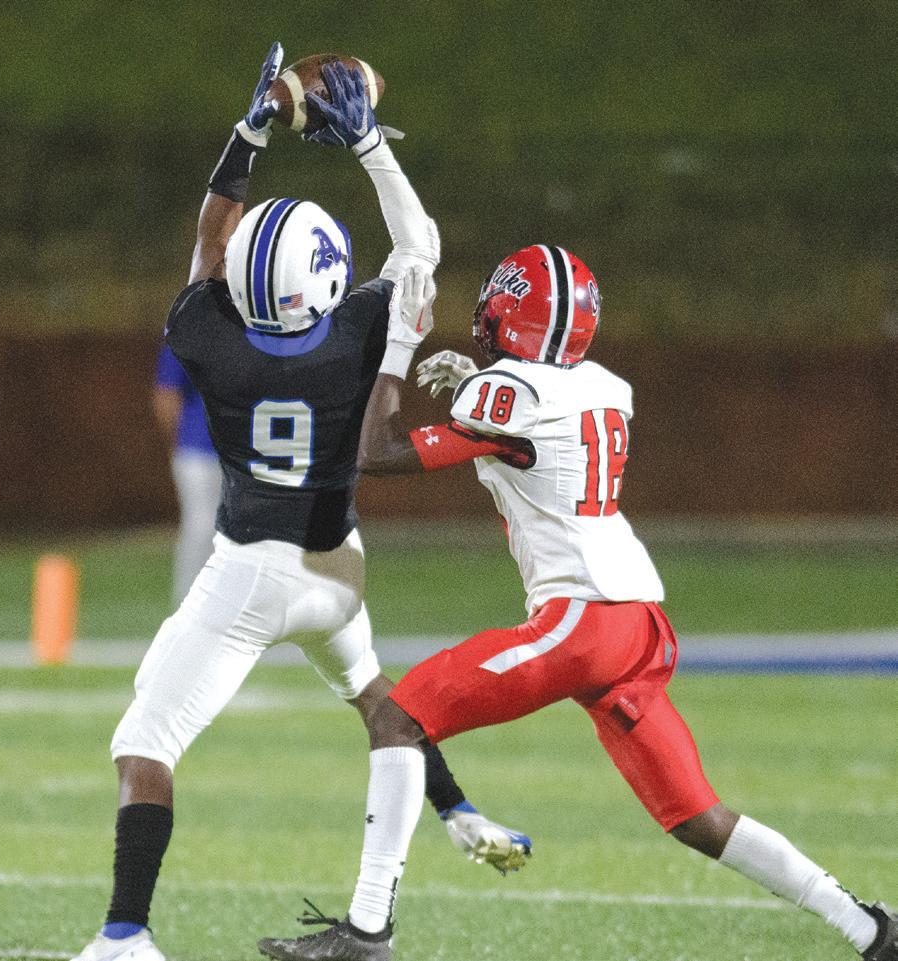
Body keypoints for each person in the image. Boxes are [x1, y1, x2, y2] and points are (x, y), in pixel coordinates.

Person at [258, 248, 898, 961]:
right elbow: (541, 438)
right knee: (697, 817)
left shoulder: (508, 396)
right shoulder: (603, 386)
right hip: (638, 622)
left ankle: (367, 931)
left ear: (508, 313)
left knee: (398, 716)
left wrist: (400, 346)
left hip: (580, 620)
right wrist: (476, 387)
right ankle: (871, 928)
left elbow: (374, 453)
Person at [70, 45, 531, 961]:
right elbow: (419, 246)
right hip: (338, 567)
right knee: (381, 702)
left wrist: (248, 133)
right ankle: (457, 813)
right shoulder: (360, 331)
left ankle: (125, 936)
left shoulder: (207, 336)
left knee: (145, 740)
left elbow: (210, 241)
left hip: (249, 572)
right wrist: (367, 144)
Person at [153, 344, 222, 606]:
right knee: (201, 527)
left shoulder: (251, 330)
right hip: (197, 448)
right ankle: (187, 604)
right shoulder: (185, 331)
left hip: (241, 452)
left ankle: (226, 604)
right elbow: (166, 395)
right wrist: (177, 443)